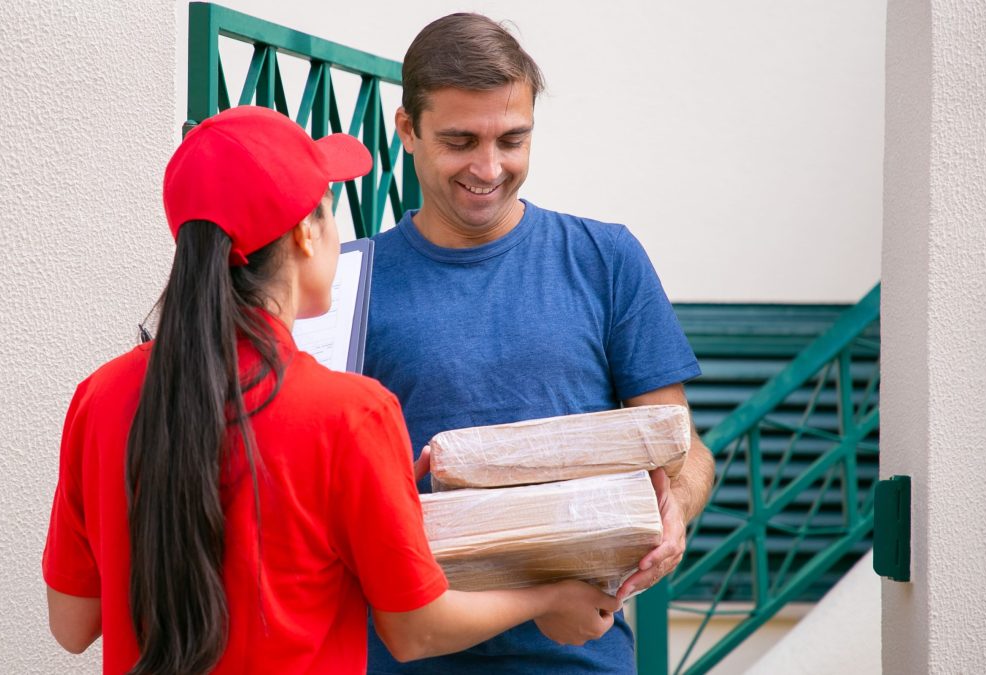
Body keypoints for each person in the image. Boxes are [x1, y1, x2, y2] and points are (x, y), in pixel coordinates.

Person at [41, 105, 621, 675]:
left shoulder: (100, 396)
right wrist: (549, 598)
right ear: (304, 232)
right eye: (330, 207)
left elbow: (72, 625)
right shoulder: (351, 414)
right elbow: (415, 630)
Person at [361, 13, 717, 674]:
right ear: (407, 128)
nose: (489, 167)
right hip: (402, 656)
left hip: (578, 654)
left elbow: (683, 449)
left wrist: (675, 514)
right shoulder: (351, 283)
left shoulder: (605, 258)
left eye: (513, 139)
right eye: (460, 140)